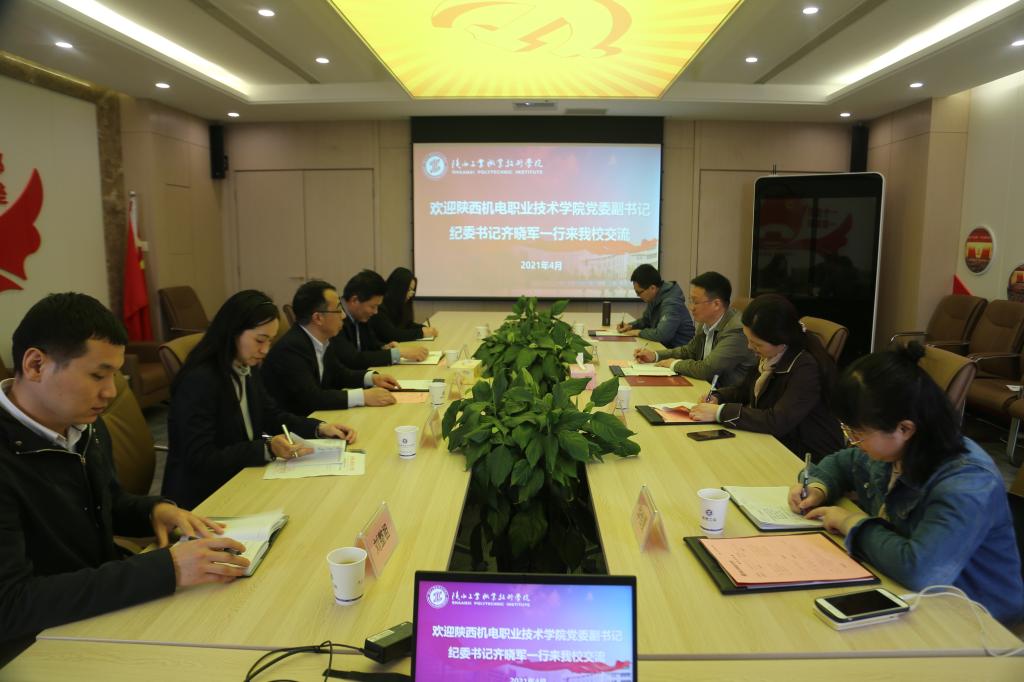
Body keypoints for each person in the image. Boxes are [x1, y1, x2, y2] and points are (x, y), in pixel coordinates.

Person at [0, 293, 249, 663]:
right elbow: (11, 606)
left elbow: (106, 502)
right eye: (97, 375)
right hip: (37, 646)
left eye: (115, 375)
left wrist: (154, 511)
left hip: (98, 610)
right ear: (36, 365)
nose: (111, 392)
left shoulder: (82, 424)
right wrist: (168, 569)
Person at [789, 343, 1024, 625]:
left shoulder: (967, 481)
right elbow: (843, 463)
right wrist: (819, 487)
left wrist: (850, 522)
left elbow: (920, 570)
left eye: (858, 433)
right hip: (909, 595)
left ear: (904, 428)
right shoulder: (896, 448)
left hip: (978, 619)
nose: (853, 441)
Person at [163, 290, 357, 510]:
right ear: (233, 332)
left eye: (270, 341)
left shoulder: (245, 365)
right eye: (259, 340)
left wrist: (319, 428)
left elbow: (270, 415)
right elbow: (201, 457)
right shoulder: (200, 380)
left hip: (241, 477)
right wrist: (266, 448)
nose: (265, 350)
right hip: (204, 497)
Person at [688, 293, 843, 461]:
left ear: (782, 341)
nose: (750, 347)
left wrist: (720, 412)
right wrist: (718, 397)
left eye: (757, 344)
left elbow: (777, 421)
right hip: (773, 442)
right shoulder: (772, 355)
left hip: (804, 458)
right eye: (748, 340)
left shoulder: (806, 368)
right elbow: (744, 390)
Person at [263, 280, 401, 415]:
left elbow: (339, 374)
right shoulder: (291, 348)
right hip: (295, 423)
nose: (343, 316)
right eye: (338, 309)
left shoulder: (322, 340)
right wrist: (363, 397)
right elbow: (313, 398)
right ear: (318, 318)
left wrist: (372, 378)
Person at [634, 271, 754, 387]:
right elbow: (689, 351)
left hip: (724, 395)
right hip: (705, 387)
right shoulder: (706, 322)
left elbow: (708, 369)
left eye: (695, 302)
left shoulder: (737, 330)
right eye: (691, 301)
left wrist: (674, 364)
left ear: (716, 304)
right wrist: (655, 355)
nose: (691, 307)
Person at [331, 270, 429, 370]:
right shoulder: (334, 319)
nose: (375, 312)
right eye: (373, 307)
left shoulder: (359, 315)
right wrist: (398, 353)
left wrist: (383, 347)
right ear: (355, 300)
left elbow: (369, 343)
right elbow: (353, 359)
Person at [616, 264, 694, 347]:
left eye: (639, 292)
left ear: (652, 288)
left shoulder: (671, 303)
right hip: (665, 347)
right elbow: (646, 321)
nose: (638, 296)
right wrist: (631, 326)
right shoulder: (655, 296)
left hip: (678, 350)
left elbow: (663, 335)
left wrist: (638, 332)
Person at [370, 267, 439, 343]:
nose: (411, 294)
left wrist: (424, 328)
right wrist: (421, 332)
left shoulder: (400, 304)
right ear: (398, 288)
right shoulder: (379, 307)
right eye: (408, 290)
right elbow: (392, 335)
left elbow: (407, 325)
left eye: (412, 290)